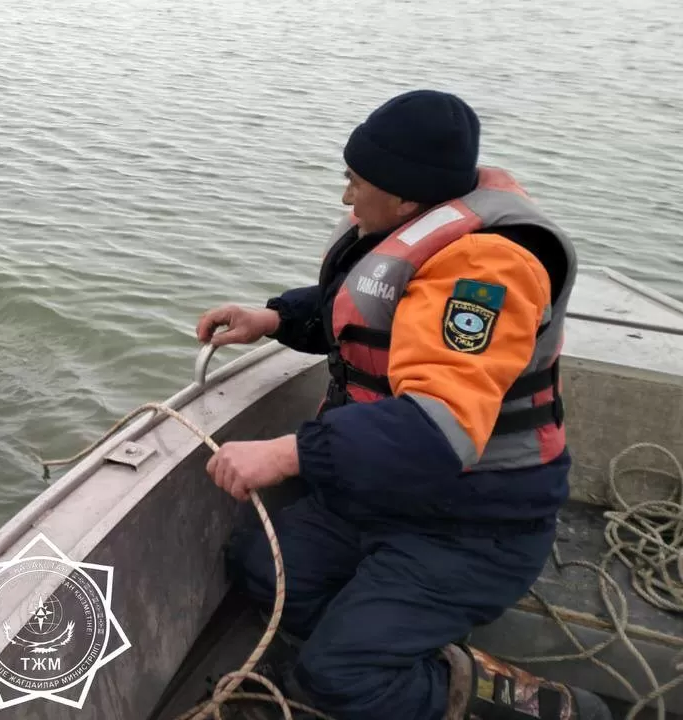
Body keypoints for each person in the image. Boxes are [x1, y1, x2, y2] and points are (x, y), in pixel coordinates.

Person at [196, 90, 612, 719]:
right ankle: (376, 659)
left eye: (355, 183)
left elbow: (435, 431)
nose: (345, 198)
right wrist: (274, 317)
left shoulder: (486, 273)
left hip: (474, 524)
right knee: (264, 567)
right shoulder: (408, 233)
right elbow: (370, 317)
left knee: (341, 674)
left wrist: (290, 453)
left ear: (407, 199)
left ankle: (533, 704)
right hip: (383, 497)